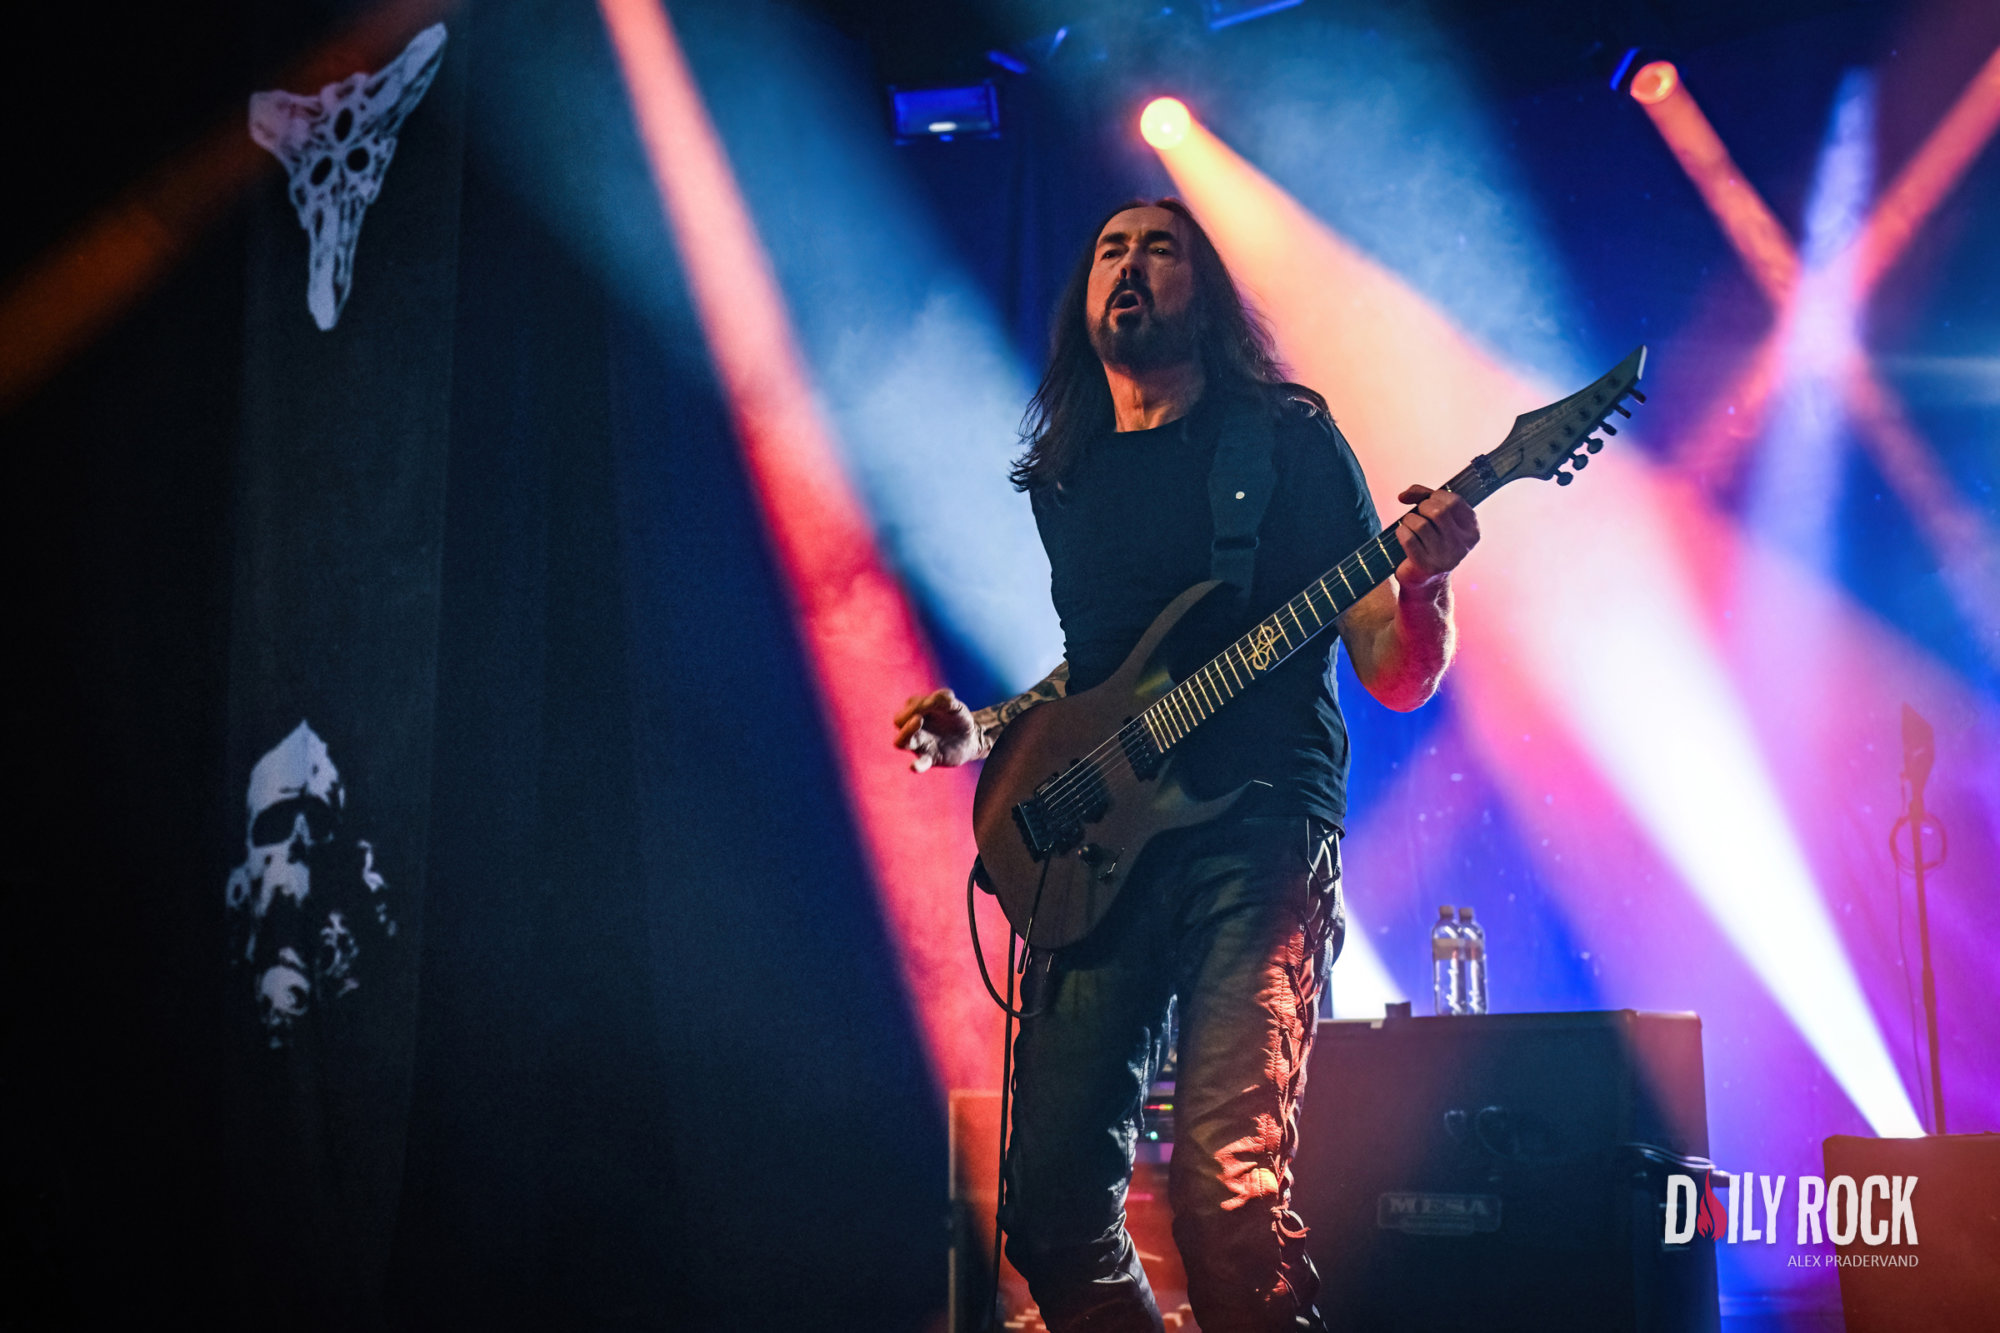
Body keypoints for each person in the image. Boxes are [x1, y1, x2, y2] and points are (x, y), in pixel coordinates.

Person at [892, 199, 1478, 1332]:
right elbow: (1097, 676)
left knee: (1225, 1200)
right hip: (1104, 854)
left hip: (1256, 833)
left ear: (1203, 290)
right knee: (1050, 1221)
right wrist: (984, 729)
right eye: (1109, 248)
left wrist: (1427, 583)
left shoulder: (1285, 440)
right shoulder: (1069, 479)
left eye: (1159, 248)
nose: (1130, 264)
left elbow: (1391, 667)